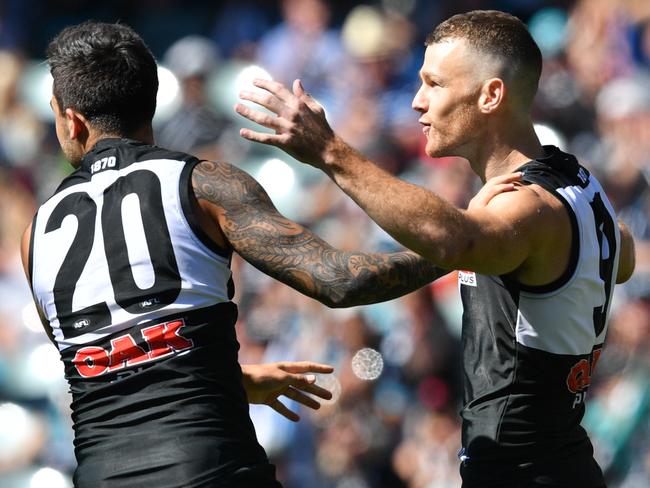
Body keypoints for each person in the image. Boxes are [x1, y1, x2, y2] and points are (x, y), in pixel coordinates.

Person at [17, 21, 515, 488]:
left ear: (72, 120)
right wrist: (460, 245)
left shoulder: (35, 234)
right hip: (212, 466)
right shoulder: (204, 184)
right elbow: (341, 280)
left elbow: (99, 362)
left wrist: (225, 376)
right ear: (151, 103)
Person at [236, 9, 636, 488]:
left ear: (491, 95)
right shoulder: (580, 189)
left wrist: (330, 152)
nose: (416, 101)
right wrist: (484, 230)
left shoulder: (529, 209)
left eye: (435, 83)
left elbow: (454, 240)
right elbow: (621, 257)